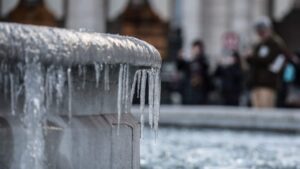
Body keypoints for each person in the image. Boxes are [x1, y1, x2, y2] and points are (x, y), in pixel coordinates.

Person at [246, 17, 288, 108]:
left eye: (263, 30)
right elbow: (254, 62)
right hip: (255, 83)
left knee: (266, 109)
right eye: (259, 30)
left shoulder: (275, 44)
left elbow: (270, 60)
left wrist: (253, 57)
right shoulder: (257, 44)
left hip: (268, 84)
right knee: (255, 110)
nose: (261, 33)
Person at [176, 40, 210, 104]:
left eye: (198, 49)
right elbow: (180, 67)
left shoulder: (203, 60)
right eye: (194, 48)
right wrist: (180, 58)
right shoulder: (189, 61)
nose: (196, 51)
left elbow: (205, 69)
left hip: (200, 91)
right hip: (188, 90)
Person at [215, 32, 242, 105]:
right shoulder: (222, 56)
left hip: (235, 90)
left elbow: (240, 74)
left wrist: (232, 63)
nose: (230, 43)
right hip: (224, 89)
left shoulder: (237, 56)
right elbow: (216, 74)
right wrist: (221, 64)